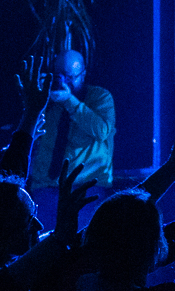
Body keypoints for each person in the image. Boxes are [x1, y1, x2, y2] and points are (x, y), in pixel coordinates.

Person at [30, 49, 115, 191]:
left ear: (83, 74)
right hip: (45, 185)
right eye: (59, 76)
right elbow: (30, 129)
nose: (64, 82)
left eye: (69, 77)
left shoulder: (100, 97)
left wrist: (69, 100)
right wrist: (37, 96)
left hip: (86, 186)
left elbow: (102, 130)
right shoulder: (49, 99)